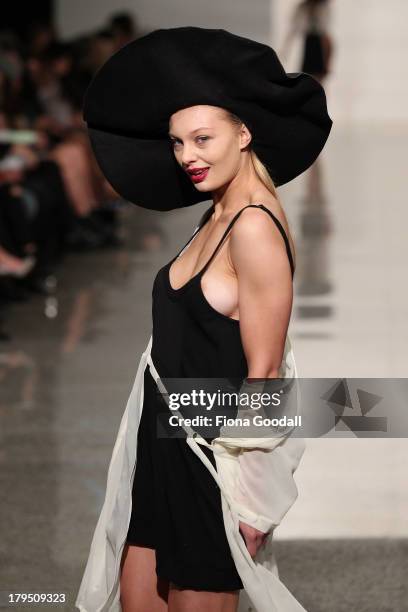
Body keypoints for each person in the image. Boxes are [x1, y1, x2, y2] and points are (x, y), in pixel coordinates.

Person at [75, 27, 332, 612]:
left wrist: (254, 506)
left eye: (202, 138)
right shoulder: (216, 212)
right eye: (176, 143)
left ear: (244, 134)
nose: (187, 156)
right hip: (161, 453)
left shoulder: (254, 228)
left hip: (209, 466)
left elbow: (267, 372)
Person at [280, 0, 333, 83]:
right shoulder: (303, 8)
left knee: (318, 78)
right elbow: (294, 28)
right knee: (308, 77)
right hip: (310, 43)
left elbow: (325, 36)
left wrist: (328, 60)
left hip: (319, 43)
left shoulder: (323, 7)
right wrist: (286, 49)